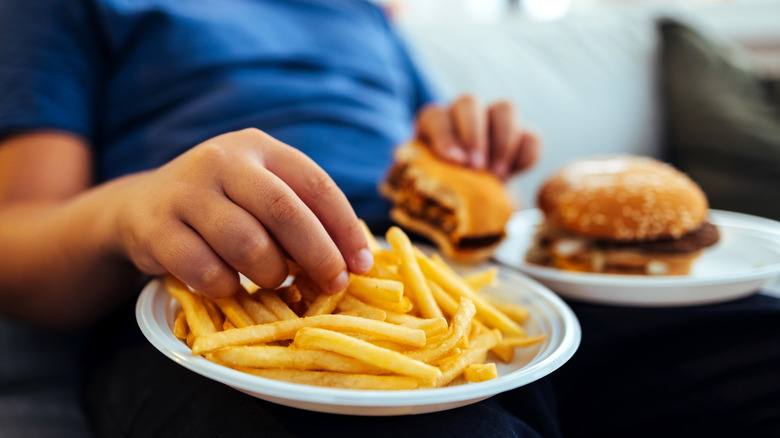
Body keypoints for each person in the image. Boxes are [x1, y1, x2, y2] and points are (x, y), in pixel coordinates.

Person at [2, 1, 779, 438]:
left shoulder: (364, 14)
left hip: (452, 290)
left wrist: (462, 160)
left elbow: (421, 158)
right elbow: (18, 240)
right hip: (216, 299)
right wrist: (129, 206)